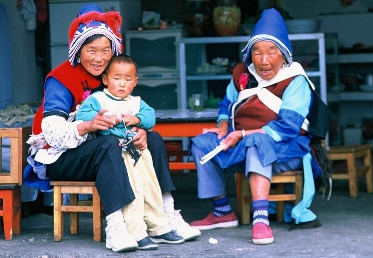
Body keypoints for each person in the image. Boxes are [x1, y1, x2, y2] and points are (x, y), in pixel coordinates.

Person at [23, 4, 199, 253]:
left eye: (105, 50)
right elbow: (51, 132)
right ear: (77, 49)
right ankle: (117, 225)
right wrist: (88, 125)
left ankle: (166, 214)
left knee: (154, 138)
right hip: (61, 155)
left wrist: (139, 130)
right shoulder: (60, 79)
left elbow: (130, 112)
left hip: (105, 149)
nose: (99, 58)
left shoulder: (111, 74)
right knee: (108, 145)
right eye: (91, 50)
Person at [189, 8, 329, 245]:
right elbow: (226, 105)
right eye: (257, 52)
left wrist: (242, 134)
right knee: (202, 144)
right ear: (249, 54)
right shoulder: (242, 75)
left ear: (284, 55)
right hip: (242, 141)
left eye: (271, 52)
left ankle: (260, 219)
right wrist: (223, 126)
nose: (263, 60)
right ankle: (222, 211)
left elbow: (287, 127)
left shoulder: (295, 80)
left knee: (256, 141)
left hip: (288, 148)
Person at [76, 54, 184, 250]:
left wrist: (137, 120)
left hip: (139, 151)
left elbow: (150, 116)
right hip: (117, 153)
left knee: (150, 185)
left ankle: (158, 227)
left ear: (135, 82)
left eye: (128, 79)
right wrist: (104, 120)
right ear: (105, 79)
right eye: (116, 78)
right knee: (134, 188)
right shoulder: (98, 99)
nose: (122, 84)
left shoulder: (135, 102)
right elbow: (83, 115)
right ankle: (136, 231)